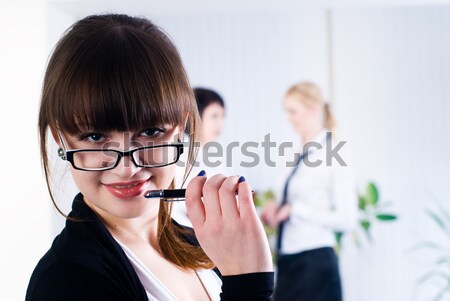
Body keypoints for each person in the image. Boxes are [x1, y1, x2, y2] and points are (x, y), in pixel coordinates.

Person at [26, 14, 273, 301]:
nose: (127, 168)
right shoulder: (64, 282)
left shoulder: (198, 243)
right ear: (60, 137)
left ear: (181, 127)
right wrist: (249, 284)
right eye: (95, 137)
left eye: (151, 131)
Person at [261, 82, 357, 301]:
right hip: (288, 262)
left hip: (316, 263)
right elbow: (289, 199)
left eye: (293, 111)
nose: (287, 117)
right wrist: (276, 209)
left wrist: (296, 210)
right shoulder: (293, 150)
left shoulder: (335, 151)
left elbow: (348, 219)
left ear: (314, 109)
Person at [173, 87, 226, 226]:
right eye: (214, 116)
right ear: (194, 117)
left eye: (222, 116)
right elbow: (173, 208)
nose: (220, 123)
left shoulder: (212, 154)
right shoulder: (178, 154)